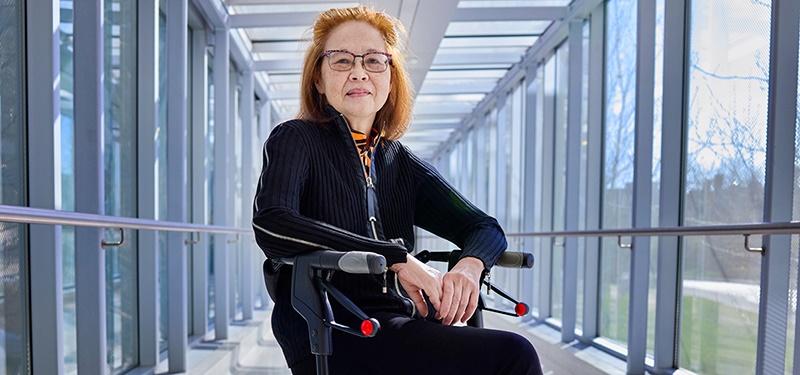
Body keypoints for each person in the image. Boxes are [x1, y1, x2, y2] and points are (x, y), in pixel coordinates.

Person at [252, 6, 542, 375]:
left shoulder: (397, 160)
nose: (359, 71)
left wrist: (470, 268)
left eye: (374, 61)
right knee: (512, 354)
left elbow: (483, 227)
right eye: (341, 61)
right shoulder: (296, 138)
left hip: (399, 322)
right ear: (319, 80)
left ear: (391, 79)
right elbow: (273, 223)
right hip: (331, 329)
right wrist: (396, 257)